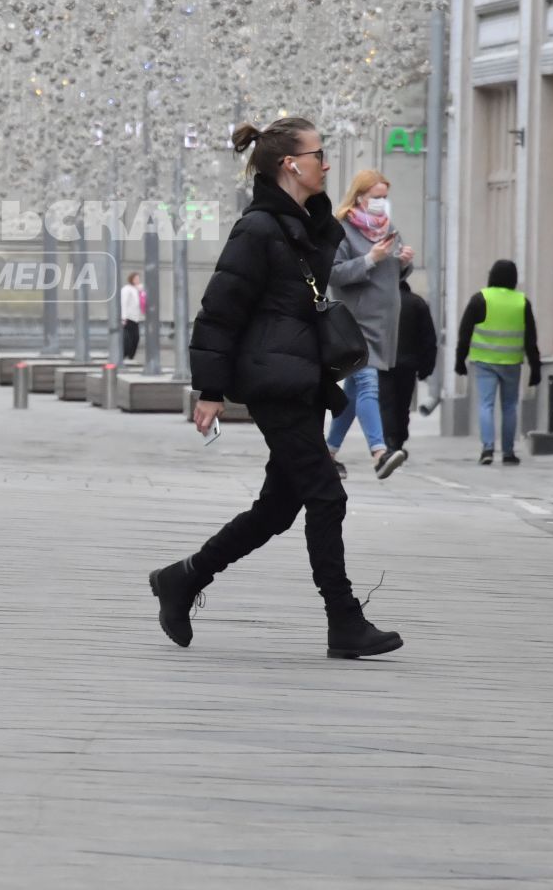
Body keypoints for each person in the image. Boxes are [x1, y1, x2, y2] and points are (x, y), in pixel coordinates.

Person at [149, 117, 402, 659]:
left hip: (302, 377)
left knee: (278, 508)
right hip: (276, 382)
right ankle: (344, 620)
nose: (327, 164)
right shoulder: (259, 229)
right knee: (326, 495)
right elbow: (219, 311)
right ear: (292, 164)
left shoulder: (302, 227)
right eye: (319, 154)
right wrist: (210, 390)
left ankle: (183, 578)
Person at [324, 170, 414, 481]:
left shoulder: (388, 228)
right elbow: (333, 274)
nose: (381, 203)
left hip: (383, 322)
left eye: (385, 197)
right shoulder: (342, 229)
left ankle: (328, 453)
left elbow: (394, 275)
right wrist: (370, 259)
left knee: (352, 391)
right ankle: (379, 452)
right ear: (360, 196)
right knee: (367, 384)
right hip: (355, 322)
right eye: (376, 197)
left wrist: (403, 262)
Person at [454, 258, 541, 465]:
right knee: (510, 406)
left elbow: (464, 332)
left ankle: (487, 449)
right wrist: (535, 367)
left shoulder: (480, 299)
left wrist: (460, 359)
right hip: (512, 362)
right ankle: (509, 452)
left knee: (486, 405)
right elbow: (531, 338)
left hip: (484, 361)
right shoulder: (522, 302)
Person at [380, 279, 438, 454]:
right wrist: (426, 367)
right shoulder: (417, 303)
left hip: (384, 363)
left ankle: (390, 440)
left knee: (387, 403)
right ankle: (399, 440)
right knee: (403, 404)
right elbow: (429, 339)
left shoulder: (381, 303)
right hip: (408, 364)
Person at [120, 271, 145, 363]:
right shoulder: (127, 289)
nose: (137, 280)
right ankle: (125, 356)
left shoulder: (138, 290)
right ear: (131, 279)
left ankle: (130, 356)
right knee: (128, 339)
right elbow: (124, 303)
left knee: (136, 338)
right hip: (128, 318)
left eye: (138, 278)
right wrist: (123, 317)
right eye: (136, 278)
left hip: (136, 318)